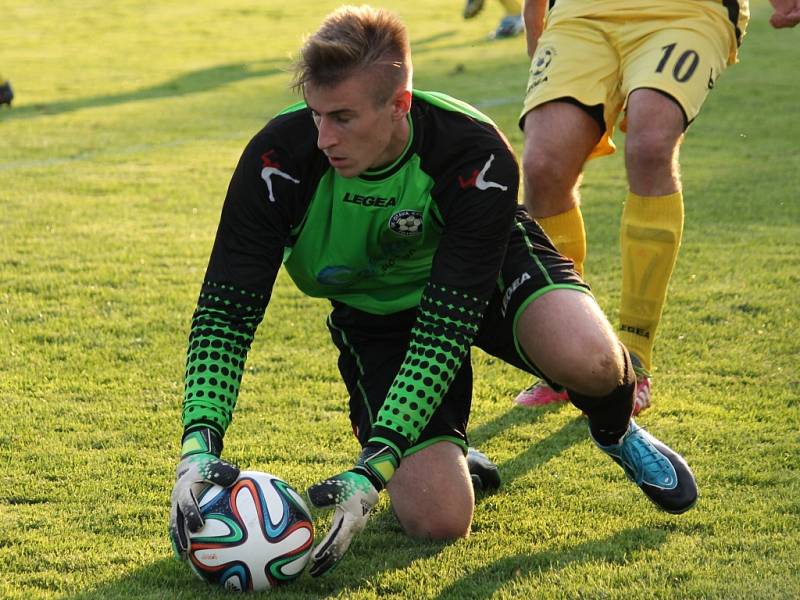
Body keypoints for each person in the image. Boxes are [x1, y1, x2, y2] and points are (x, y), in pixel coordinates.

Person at [168, 5, 697, 578]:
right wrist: (198, 444)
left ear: (399, 105)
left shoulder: (473, 153)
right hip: (377, 317)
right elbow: (226, 313)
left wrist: (375, 463)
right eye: (316, 114)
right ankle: (450, 458)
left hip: (486, 277)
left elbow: (446, 328)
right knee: (439, 520)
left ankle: (616, 431)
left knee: (592, 361)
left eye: (342, 118)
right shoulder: (278, 159)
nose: (322, 137)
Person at [514, 0, 750, 413]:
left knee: (650, 143)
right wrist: (536, 19)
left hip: (686, 10)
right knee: (543, 166)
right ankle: (566, 353)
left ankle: (635, 357)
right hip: (582, 13)